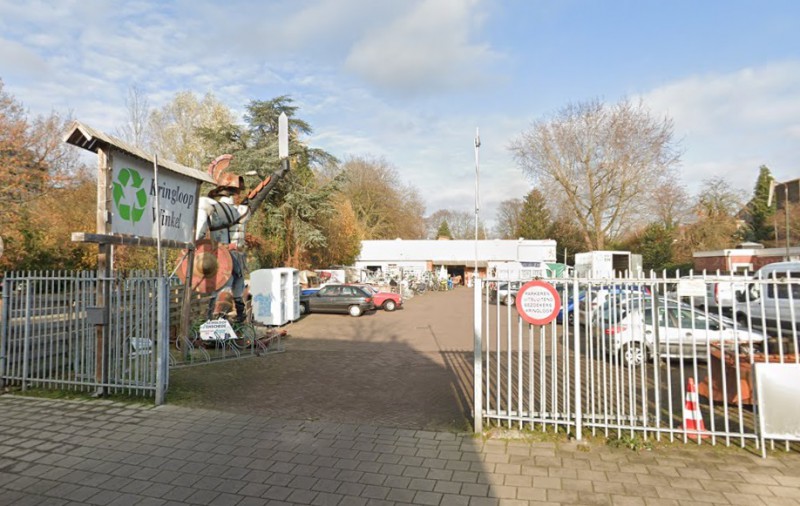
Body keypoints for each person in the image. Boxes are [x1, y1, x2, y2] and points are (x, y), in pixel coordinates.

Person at [194, 154, 289, 322]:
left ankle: (215, 322)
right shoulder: (243, 210)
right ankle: (237, 319)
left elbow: (199, 233)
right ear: (236, 191)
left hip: (221, 256)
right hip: (239, 255)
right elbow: (262, 192)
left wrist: (196, 245)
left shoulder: (210, 205)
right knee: (237, 287)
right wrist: (280, 172)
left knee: (224, 287)